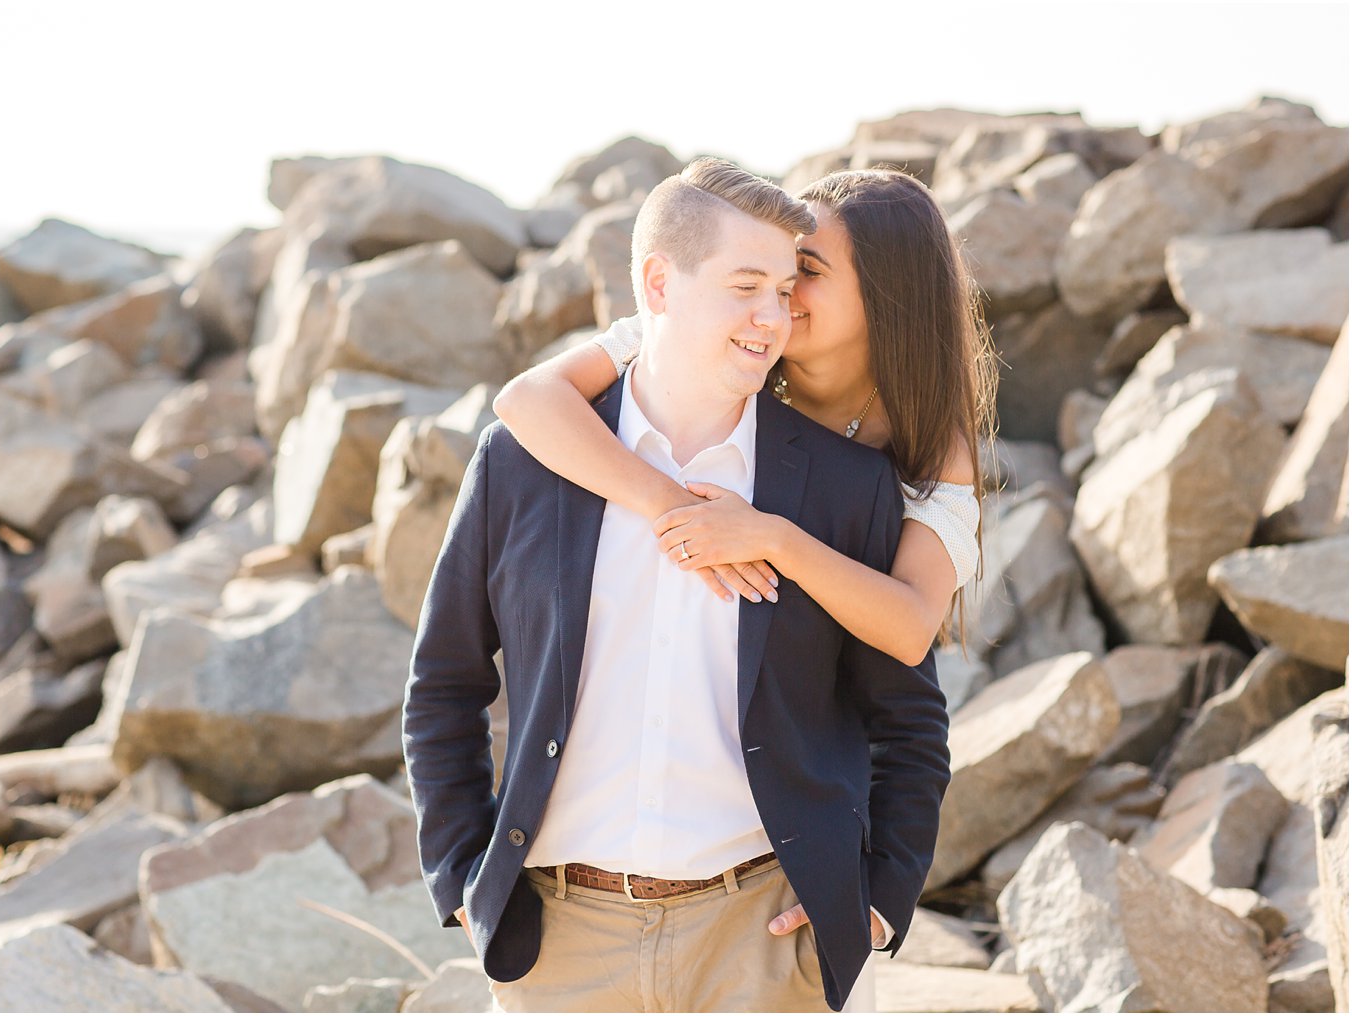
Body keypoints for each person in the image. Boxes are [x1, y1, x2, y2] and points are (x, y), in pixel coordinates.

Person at [403, 157, 951, 1013]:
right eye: (747, 288)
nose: (774, 317)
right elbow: (443, 686)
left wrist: (879, 898)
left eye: (785, 288)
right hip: (559, 948)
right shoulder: (523, 463)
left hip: (767, 947)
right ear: (658, 283)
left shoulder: (847, 489)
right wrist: (465, 879)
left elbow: (908, 716)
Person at [493, 169, 997, 671]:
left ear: (888, 299)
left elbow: (911, 629)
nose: (778, 296)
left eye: (807, 272)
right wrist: (671, 505)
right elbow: (528, 399)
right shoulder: (721, 341)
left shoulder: (929, 444)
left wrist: (770, 538)